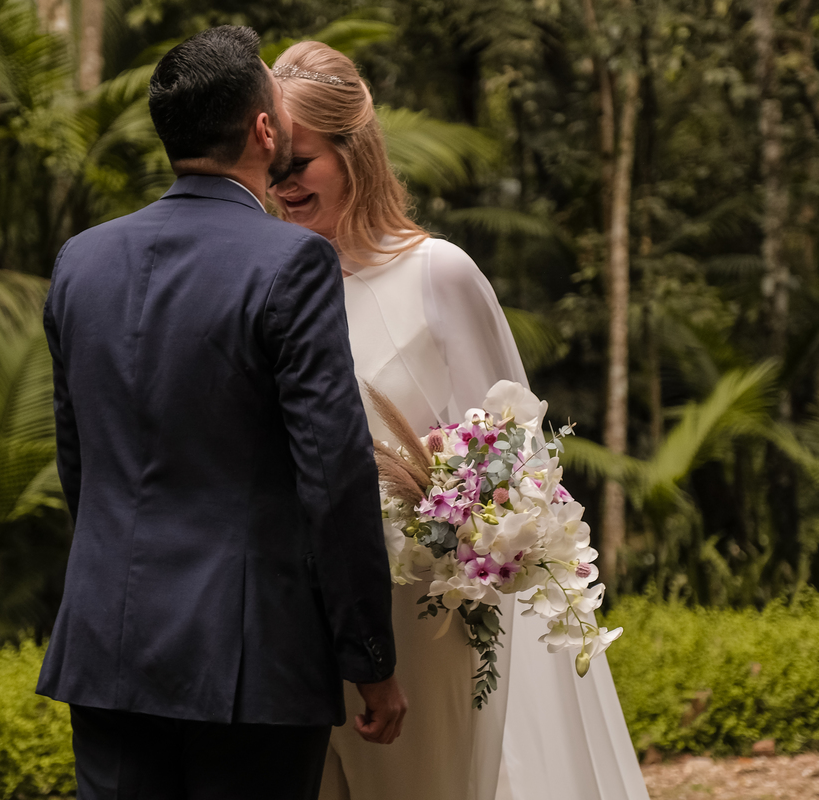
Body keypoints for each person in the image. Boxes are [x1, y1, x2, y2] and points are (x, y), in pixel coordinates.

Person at [270, 41, 650, 800]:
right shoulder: (270, 286)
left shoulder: (436, 272)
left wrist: (465, 526)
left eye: (300, 163)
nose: (282, 185)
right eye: (271, 166)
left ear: (353, 153)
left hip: (423, 624)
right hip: (299, 621)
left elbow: (512, 463)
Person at [36, 27, 408, 800]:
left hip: (107, 647)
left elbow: (80, 464)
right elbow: (333, 476)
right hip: (251, 659)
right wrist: (370, 657)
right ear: (265, 130)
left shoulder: (81, 261)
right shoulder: (291, 262)